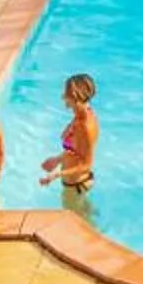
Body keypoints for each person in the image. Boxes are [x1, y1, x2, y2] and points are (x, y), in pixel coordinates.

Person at [37, 74, 98, 205]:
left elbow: (86, 165)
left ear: (75, 97)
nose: (63, 97)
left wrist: (56, 175)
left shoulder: (86, 126)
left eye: (66, 94)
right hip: (73, 185)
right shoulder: (79, 116)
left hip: (76, 187)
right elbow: (75, 151)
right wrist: (57, 159)